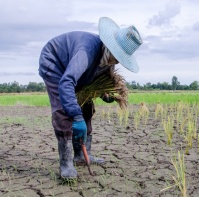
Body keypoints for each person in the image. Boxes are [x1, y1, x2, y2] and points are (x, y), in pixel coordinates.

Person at [38, 17, 143, 179]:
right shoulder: (86, 52)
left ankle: (81, 155)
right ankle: (66, 163)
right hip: (54, 63)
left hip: (72, 71)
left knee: (87, 107)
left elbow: (92, 79)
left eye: (119, 59)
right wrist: (76, 115)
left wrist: (104, 94)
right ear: (109, 46)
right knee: (63, 110)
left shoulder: (109, 60)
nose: (115, 61)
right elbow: (66, 82)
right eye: (116, 56)